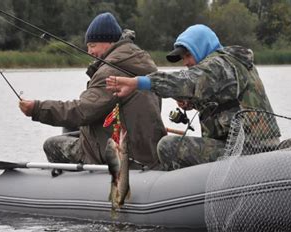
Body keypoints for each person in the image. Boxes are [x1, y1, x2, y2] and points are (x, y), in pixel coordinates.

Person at [106, 24, 281, 171]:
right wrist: (192, 103)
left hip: (246, 150)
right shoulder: (231, 62)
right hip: (256, 145)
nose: (186, 62)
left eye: (188, 55)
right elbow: (224, 99)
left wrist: (139, 82)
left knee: (168, 146)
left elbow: (187, 80)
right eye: (183, 58)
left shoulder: (217, 64)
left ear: (203, 47)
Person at [19, 12, 166, 169]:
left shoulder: (110, 72)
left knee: (52, 144)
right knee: (72, 127)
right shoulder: (141, 62)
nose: (89, 52)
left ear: (109, 42)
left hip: (125, 155)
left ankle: (76, 188)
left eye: (92, 45)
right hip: (146, 149)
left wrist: (37, 108)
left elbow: (82, 111)